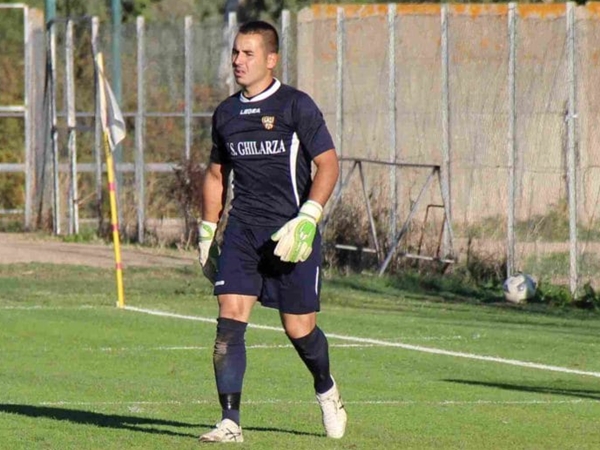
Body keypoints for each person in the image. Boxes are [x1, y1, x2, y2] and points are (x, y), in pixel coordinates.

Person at [197, 20, 347, 443]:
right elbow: (215, 174)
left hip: (291, 232)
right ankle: (230, 421)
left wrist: (309, 216)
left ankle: (326, 389)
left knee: (299, 328)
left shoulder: (295, 106)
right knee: (229, 322)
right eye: (235, 53)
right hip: (243, 232)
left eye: (247, 53)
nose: (237, 61)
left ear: (271, 59)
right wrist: (207, 231)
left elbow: (329, 164)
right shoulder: (226, 113)